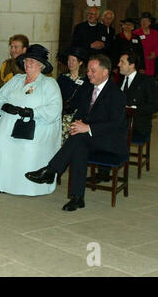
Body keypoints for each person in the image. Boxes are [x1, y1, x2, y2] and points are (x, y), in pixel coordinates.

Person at [25, 54, 127, 211]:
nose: (89, 74)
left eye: (93, 71)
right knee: (79, 144)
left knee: (79, 139)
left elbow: (115, 124)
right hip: (89, 139)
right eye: (88, 71)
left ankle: (51, 170)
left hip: (111, 141)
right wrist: (76, 124)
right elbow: (80, 113)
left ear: (105, 72)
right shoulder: (88, 89)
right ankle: (77, 197)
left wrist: (88, 128)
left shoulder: (115, 93)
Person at [0, 44, 62, 196]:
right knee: (2, 140)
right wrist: (5, 106)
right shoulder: (16, 79)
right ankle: (5, 183)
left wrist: (33, 112)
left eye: (32, 62)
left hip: (38, 125)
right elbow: (0, 96)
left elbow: (55, 108)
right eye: (27, 60)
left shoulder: (48, 83)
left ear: (41, 65)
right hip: (11, 123)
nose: (28, 64)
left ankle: (29, 186)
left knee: (29, 146)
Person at [92, 51, 158, 183]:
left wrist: (134, 109)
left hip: (138, 124)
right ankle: (102, 164)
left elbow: (154, 106)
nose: (118, 65)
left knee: (109, 132)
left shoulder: (146, 81)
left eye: (122, 62)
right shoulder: (119, 81)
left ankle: (104, 169)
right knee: (99, 128)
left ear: (132, 65)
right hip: (120, 122)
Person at [56, 47, 91, 142]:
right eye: (69, 60)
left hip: (78, 119)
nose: (70, 63)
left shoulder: (86, 80)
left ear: (80, 62)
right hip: (62, 116)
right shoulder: (62, 78)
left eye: (73, 60)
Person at [133, 12, 158, 77]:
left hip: (152, 61)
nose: (144, 22)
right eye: (142, 21)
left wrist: (154, 53)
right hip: (141, 62)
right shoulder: (135, 33)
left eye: (146, 21)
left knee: (150, 81)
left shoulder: (155, 32)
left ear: (150, 22)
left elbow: (157, 45)